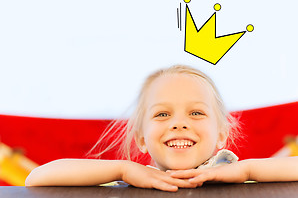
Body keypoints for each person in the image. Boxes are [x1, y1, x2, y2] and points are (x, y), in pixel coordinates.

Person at [25, 65, 298, 192]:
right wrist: (123, 169)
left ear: (222, 134)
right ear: (142, 140)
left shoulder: (237, 174)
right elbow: (36, 177)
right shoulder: (135, 180)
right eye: (163, 114)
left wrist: (248, 170)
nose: (179, 123)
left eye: (196, 112)